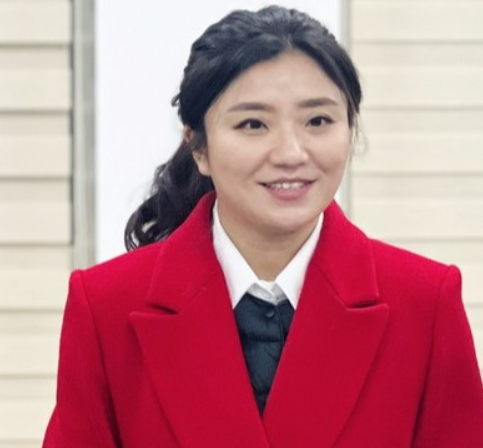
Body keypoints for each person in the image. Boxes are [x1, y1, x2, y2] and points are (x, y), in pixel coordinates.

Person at [42, 5, 483, 448]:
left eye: (318, 121)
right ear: (198, 147)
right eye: (253, 124)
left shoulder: (425, 302)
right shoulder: (105, 307)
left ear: (350, 130)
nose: (291, 153)